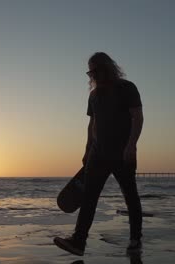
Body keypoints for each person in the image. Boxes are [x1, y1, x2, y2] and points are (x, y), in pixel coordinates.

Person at [54, 52, 144, 256]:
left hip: (122, 153)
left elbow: (137, 117)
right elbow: (92, 124)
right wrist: (87, 150)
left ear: (108, 67)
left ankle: (135, 240)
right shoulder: (94, 95)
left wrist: (132, 145)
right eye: (90, 72)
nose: (93, 75)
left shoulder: (126, 88)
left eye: (96, 70)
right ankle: (79, 241)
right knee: (88, 198)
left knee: (130, 196)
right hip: (98, 154)